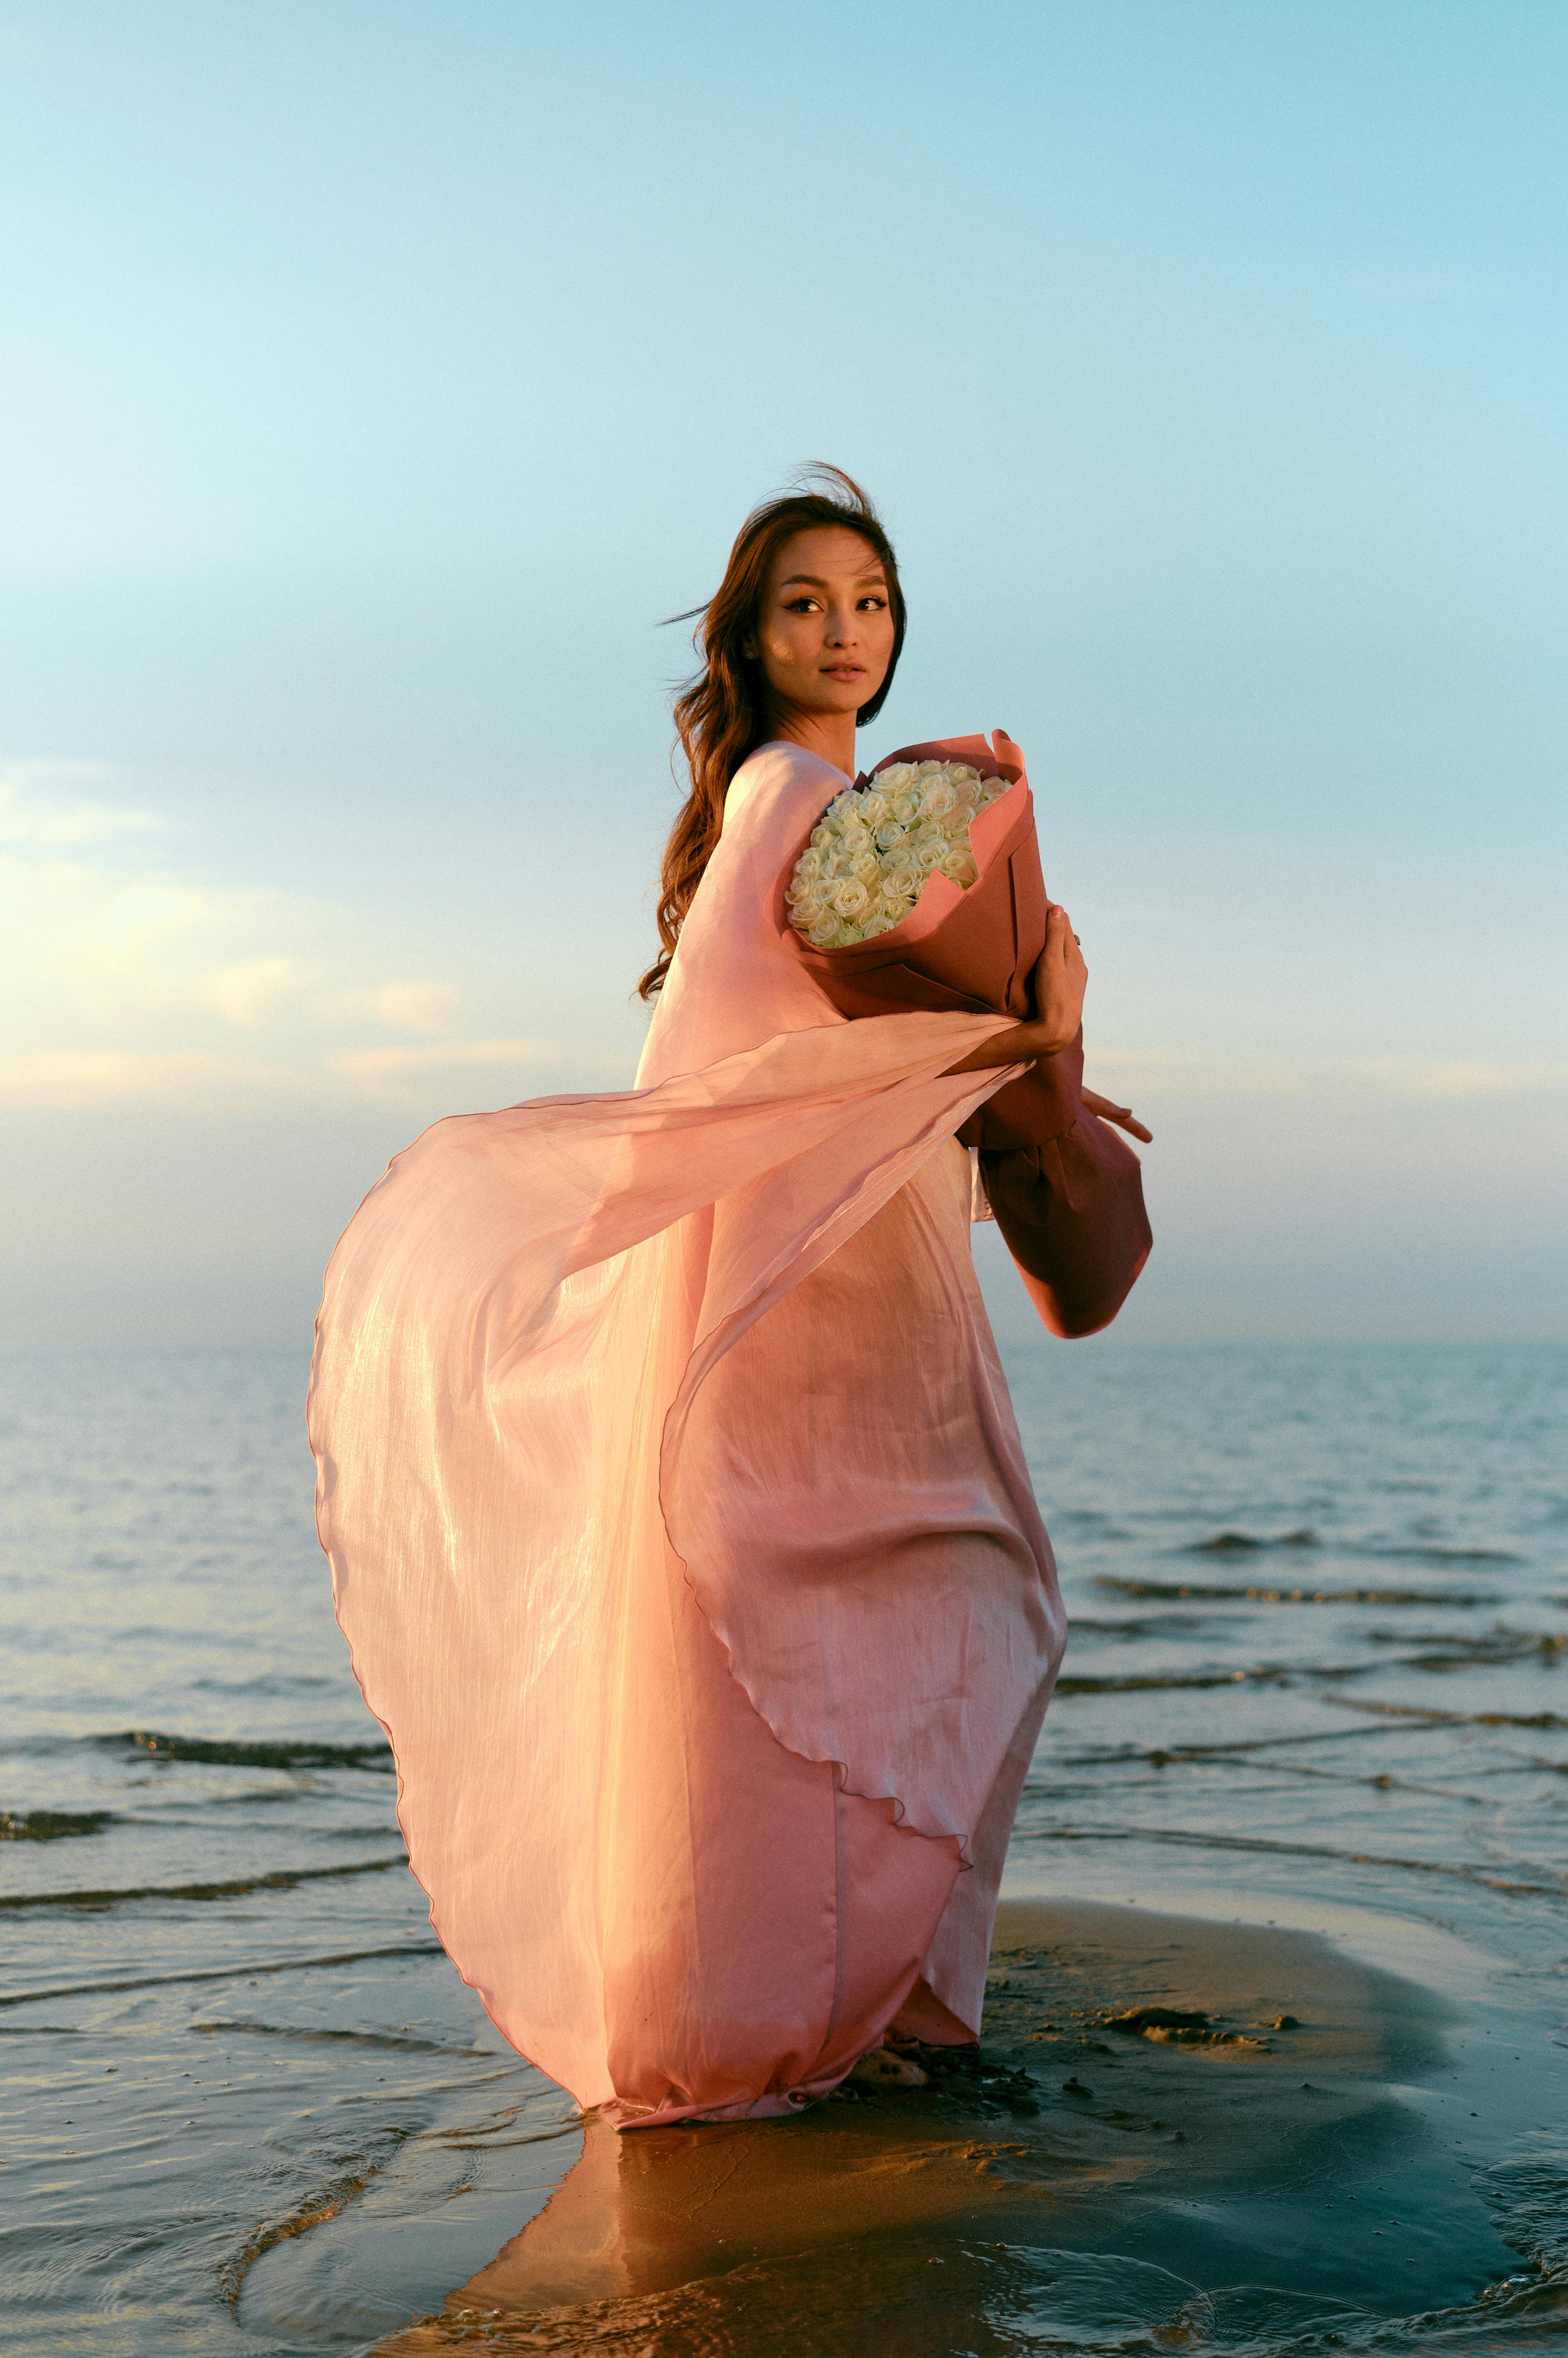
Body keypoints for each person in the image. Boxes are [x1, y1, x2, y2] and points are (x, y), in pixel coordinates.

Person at [308, 467, 1144, 2126]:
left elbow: (827, 1041)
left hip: (866, 1260)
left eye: (873, 602)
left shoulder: (850, 814)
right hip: (796, 1290)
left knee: (936, 1615)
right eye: (804, 604)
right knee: (926, 1612)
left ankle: (847, 2002)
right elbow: (726, 1071)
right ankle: (819, 2016)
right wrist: (1015, 1038)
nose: (845, 631)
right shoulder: (779, 802)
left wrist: (1010, 1045)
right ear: (750, 642)